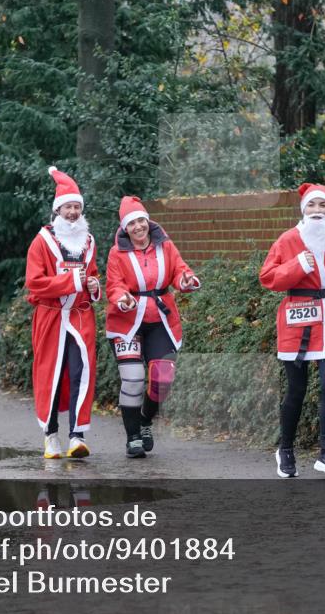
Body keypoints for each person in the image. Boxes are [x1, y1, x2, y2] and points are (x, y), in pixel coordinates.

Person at [259, 183, 325, 478]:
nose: (317, 211)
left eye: (323, 206)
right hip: (296, 320)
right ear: (303, 209)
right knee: (297, 389)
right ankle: (286, 449)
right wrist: (296, 266)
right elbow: (268, 278)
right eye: (312, 205)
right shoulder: (287, 240)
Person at [105, 196, 201, 457]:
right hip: (127, 323)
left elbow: (179, 271)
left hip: (161, 321)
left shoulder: (165, 246)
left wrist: (187, 280)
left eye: (141, 221)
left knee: (163, 380)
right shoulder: (117, 252)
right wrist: (122, 299)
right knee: (133, 379)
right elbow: (113, 285)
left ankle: (146, 420)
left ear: (148, 221)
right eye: (132, 223)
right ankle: (133, 436)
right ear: (125, 228)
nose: (138, 227)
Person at [25, 166, 101, 459]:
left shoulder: (89, 241)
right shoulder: (42, 242)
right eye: (68, 207)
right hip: (51, 317)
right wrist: (74, 280)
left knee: (81, 373)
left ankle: (77, 436)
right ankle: (51, 435)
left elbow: (92, 275)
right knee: (52, 375)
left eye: (76, 207)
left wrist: (93, 285)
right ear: (57, 210)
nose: (73, 212)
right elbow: (34, 283)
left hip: (80, 316)